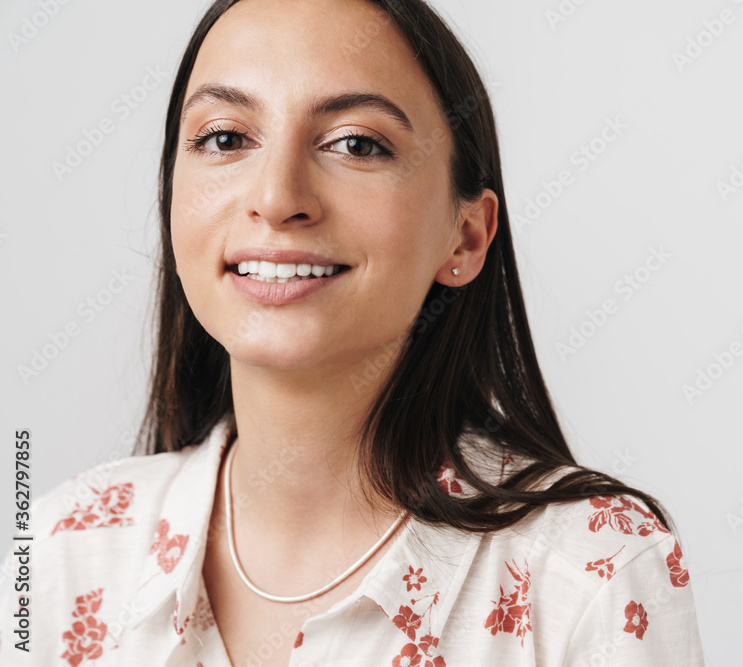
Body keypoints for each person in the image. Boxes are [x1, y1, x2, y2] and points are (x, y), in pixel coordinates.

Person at [0, 0, 706, 664]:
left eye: (356, 144)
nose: (277, 198)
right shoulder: (62, 550)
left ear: (466, 235)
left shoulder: (594, 571)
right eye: (225, 137)